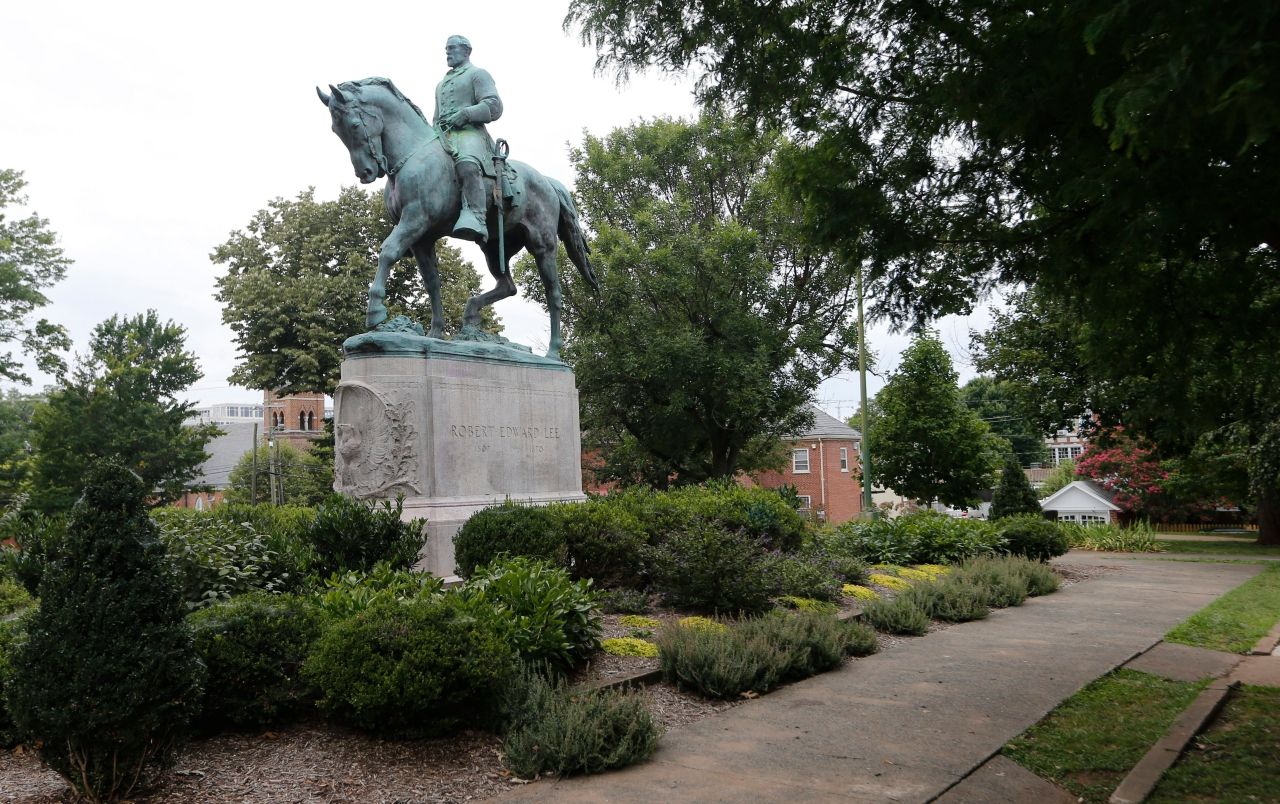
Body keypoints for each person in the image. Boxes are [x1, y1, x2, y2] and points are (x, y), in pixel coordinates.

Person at [434, 35, 502, 243]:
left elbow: (494, 105)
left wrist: (467, 114)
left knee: (467, 163)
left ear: (467, 51)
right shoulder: (441, 84)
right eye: (446, 48)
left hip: (470, 133)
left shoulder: (478, 74)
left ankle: (476, 216)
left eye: (452, 48)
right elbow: (436, 116)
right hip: (444, 134)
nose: (448, 52)